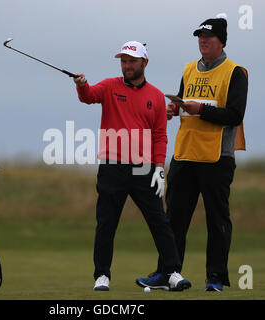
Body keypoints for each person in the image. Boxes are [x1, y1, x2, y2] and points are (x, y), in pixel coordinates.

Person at [136, 14, 248, 292]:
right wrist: (176, 109)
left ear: (221, 41)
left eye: (208, 37)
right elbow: (187, 104)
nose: (203, 41)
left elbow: (234, 115)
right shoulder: (189, 69)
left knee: (217, 219)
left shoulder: (235, 72)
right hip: (184, 155)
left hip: (217, 158)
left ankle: (215, 277)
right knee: (173, 218)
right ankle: (167, 273)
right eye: (200, 36)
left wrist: (201, 110)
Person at [74, 41, 191, 292]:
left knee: (159, 220)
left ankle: (171, 272)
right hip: (112, 165)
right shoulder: (109, 86)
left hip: (143, 168)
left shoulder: (156, 97)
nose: (126, 66)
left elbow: (160, 135)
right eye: (123, 61)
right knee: (107, 222)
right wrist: (81, 84)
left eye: (131, 61)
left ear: (144, 63)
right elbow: (89, 96)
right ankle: (102, 275)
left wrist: (160, 167)